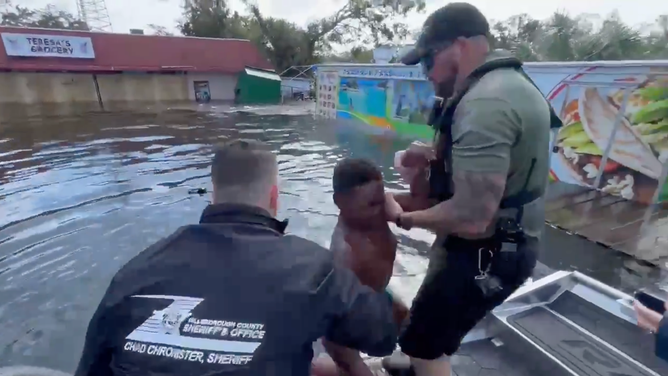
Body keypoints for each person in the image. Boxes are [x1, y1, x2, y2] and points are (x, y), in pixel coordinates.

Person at [74, 139, 400, 376]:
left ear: (214, 192)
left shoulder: (136, 270)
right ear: (274, 196)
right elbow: (382, 337)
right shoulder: (314, 267)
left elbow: (91, 368)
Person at [383, 3, 556, 375]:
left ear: (459, 46)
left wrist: (403, 216)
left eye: (428, 60)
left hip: (487, 250)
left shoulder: (485, 102)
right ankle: (417, 354)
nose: (427, 74)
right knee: (429, 327)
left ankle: (424, 358)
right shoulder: (502, 85)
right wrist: (428, 162)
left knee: (426, 344)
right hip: (497, 242)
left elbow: (473, 217)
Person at [321, 158, 409, 376]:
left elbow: (416, 202)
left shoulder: (371, 214)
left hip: (376, 294)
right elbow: (337, 302)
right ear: (339, 201)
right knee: (349, 363)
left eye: (382, 199)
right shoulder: (346, 250)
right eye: (372, 204)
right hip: (351, 313)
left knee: (410, 321)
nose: (381, 209)